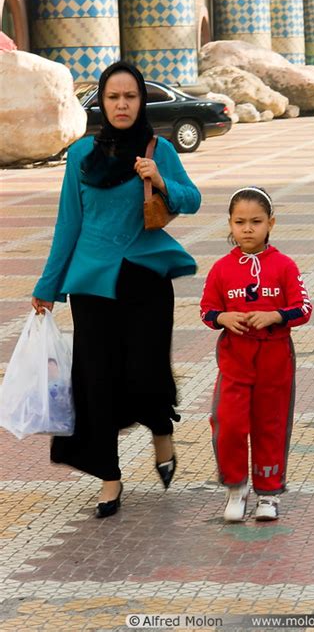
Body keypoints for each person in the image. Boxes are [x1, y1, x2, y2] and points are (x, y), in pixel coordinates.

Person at [31, 61, 201, 518]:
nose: (122, 104)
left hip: (145, 282)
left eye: (130, 96)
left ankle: (161, 431)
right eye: (113, 97)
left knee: (145, 372)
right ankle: (110, 477)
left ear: (141, 101)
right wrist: (48, 286)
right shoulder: (80, 155)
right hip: (92, 289)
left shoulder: (157, 148)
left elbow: (192, 199)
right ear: (101, 103)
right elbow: (69, 224)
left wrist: (161, 179)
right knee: (96, 383)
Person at [200, 187, 312, 522]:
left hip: (275, 363)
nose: (248, 229)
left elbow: (303, 308)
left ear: (271, 223)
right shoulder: (221, 269)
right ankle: (235, 487)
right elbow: (207, 311)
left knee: (270, 426)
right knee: (229, 423)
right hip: (235, 362)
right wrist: (223, 317)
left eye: (256, 221)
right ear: (230, 225)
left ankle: (268, 493)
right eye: (240, 222)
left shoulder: (285, 266)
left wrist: (276, 315)